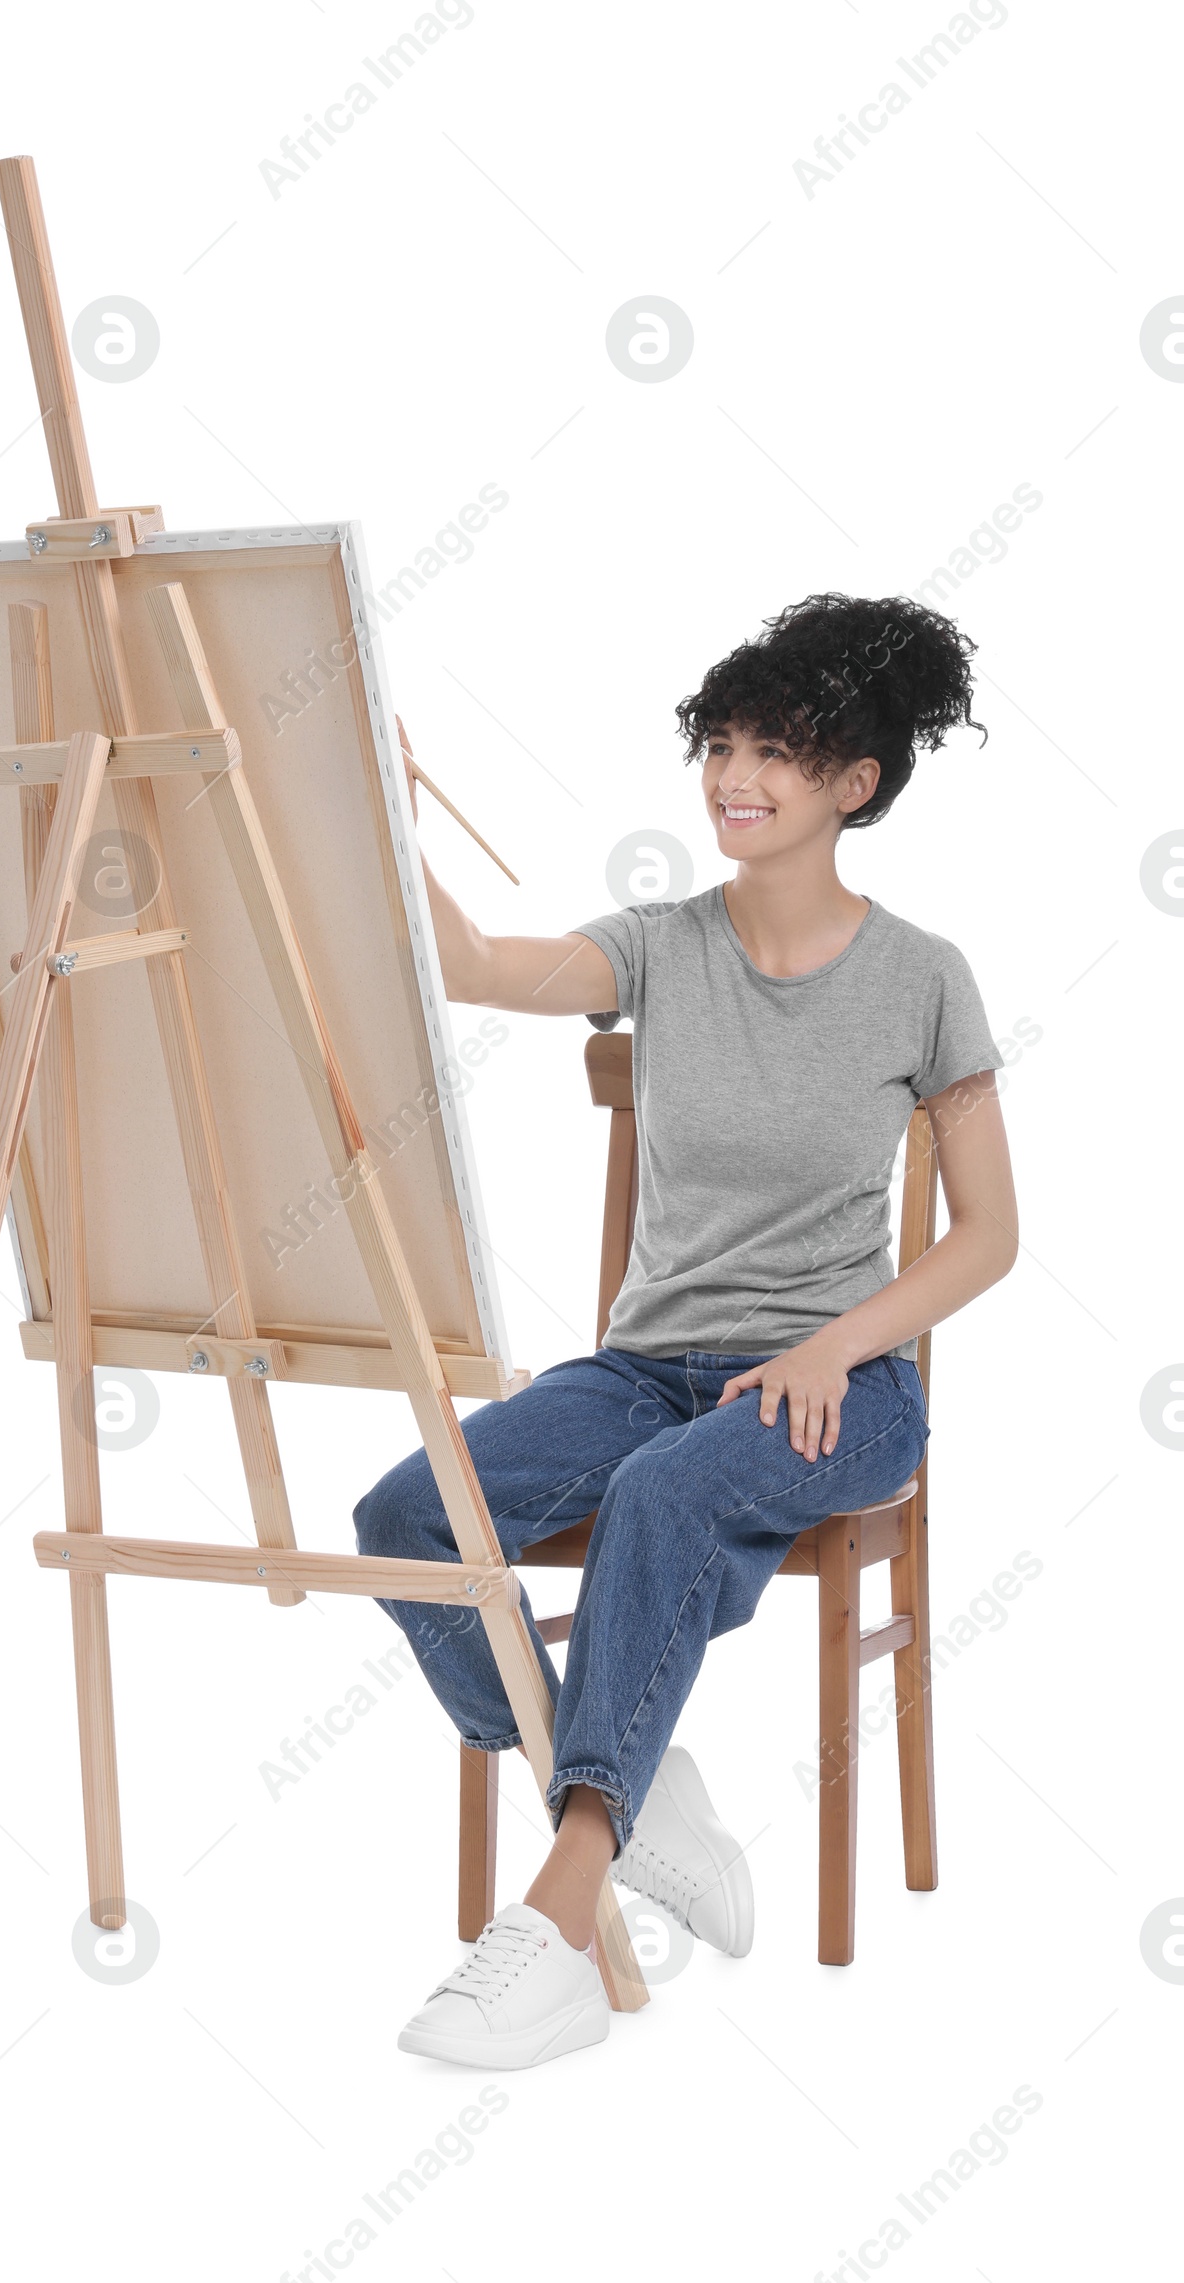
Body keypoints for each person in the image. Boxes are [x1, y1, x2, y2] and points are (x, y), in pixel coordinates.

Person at [354, 591, 1019, 2070]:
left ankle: (559, 1928)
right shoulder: (659, 947)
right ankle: (643, 1791)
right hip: (645, 1371)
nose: (735, 773)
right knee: (408, 1511)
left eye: (777, 750)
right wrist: (372, 807)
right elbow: (466, 966)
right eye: (721, 743)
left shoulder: (924, 979)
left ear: (855, 782)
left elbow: (990, 1235)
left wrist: (840, 1345)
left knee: (663, 1494)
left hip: (840, 1388)